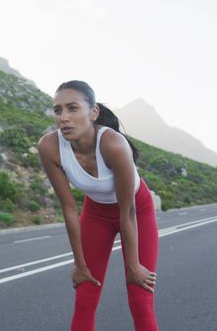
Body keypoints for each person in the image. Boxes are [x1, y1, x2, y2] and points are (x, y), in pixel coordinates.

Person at [38, 80, 159, 331]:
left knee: (139, 298)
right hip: (96, 214)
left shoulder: (113, 144)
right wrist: (80, 265)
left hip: (136, 210)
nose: (64, 118)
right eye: (58, 110)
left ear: (93, 113)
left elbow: (128, 211)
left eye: (72, 108)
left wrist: (133, 265)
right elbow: (69, 208)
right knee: (85, 295)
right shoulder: (49, 147)